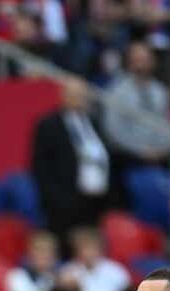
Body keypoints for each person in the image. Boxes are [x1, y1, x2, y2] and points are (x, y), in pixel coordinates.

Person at [30, 77, 109, 245]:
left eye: (82, 95)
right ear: (62, 96)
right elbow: (39, 167)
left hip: (92, 201)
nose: (79, 99)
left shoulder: (93, 123)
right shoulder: (48, 124)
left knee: (88, 249)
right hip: (62, 204)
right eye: (74, 95)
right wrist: (56, 199)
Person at [102, 42, 170, 180]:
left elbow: (167, 127)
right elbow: (113, 132)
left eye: (146, 60)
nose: (142, 65)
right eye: (138, 60)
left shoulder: (160, 91)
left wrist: (162, 149)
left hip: (160, 156)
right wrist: (141, 151)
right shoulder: (116, 92)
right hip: (130, 156)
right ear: (128, 62)